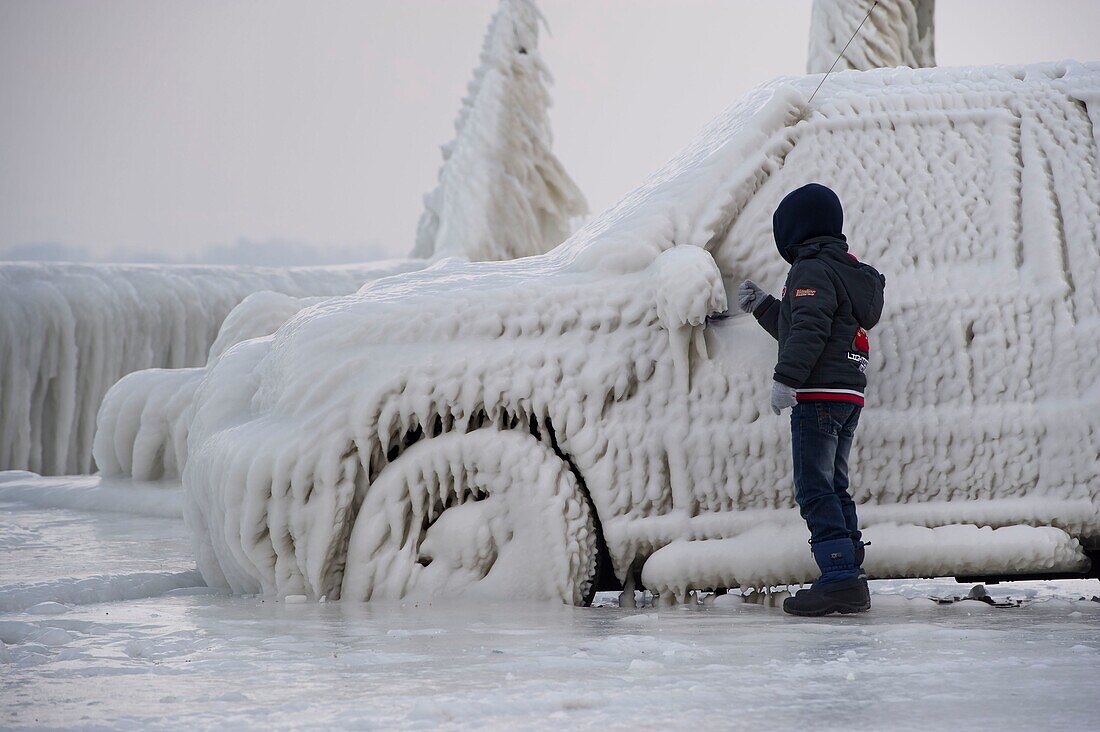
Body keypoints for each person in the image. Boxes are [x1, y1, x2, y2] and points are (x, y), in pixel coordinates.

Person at [738, 183, 885, 616]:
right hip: (846, 395)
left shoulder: (810, 270)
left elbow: (808, 331)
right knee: (833, 485)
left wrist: (785, 379)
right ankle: (849, 571)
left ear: (795, 230)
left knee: (814, 489)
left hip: (818, 395)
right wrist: (765, 306)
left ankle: (839, 578)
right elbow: (804, 321)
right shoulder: (845, 271)